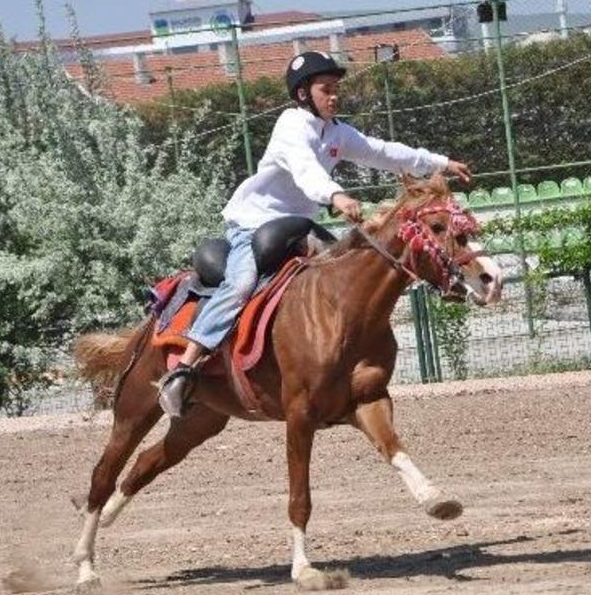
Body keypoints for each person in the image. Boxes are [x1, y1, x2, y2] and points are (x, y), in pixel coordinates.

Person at [157, 50, 472, 417]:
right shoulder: (291, 125)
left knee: (344, 270)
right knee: (242, 283)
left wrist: (440, 163)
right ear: (304, 94)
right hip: (255, 225)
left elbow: (383, 152)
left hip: (296, 227)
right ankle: (185, 366)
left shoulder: (337, 131)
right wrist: (336, 194)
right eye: (326, 88)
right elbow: (306, 171)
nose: (334, 95)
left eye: (336, 87)